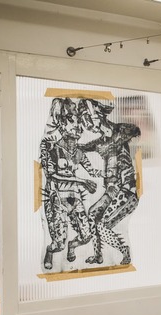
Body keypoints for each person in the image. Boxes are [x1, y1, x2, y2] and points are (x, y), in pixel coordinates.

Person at [78, 99, 141, 265]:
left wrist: (114, 139)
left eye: (88, 117)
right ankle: (98, 255)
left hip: (126, 190)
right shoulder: (100, 142)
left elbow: (136, 130)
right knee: (92, 214)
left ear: (99, 115)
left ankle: (124, 251)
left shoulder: (118, 130)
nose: (87, 123)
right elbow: (81, 147)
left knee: (103, 225)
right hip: (112, 191)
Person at [40, 97, 100, 270]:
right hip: (57, 199)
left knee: (87, 236)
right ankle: (50, 250)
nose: (76, 128)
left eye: (77, 124)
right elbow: (52, 175)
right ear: (63, 130)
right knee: (58, 244)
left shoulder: (79, 153)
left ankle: (72, 246)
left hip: (75, 199)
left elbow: (92, 171)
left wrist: (107, 174)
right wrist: (80, 181)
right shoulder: (52, 148)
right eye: (71, 123)